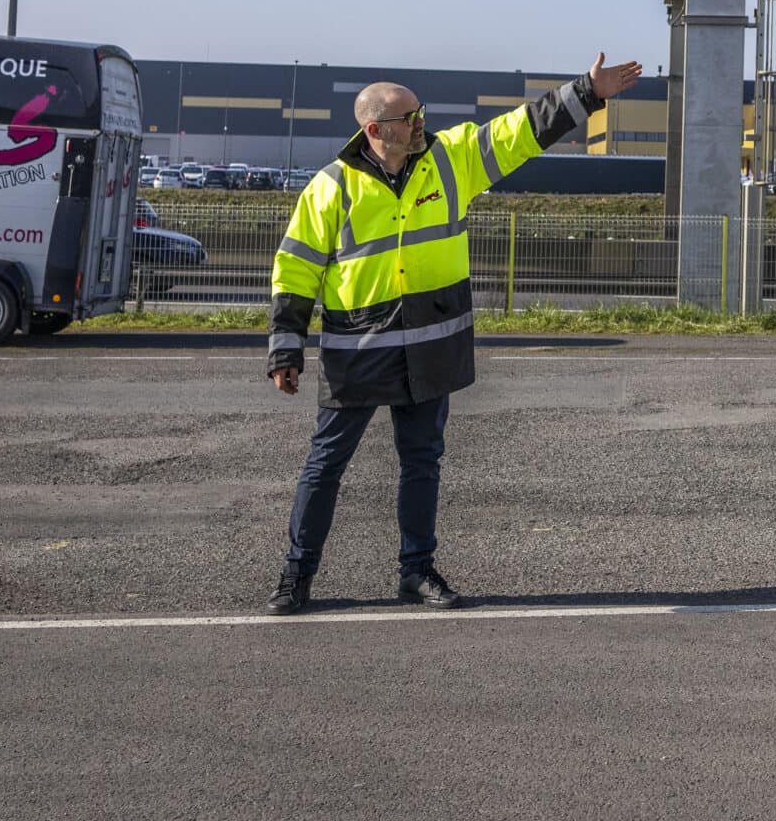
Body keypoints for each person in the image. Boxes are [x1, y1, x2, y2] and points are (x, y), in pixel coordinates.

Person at [263, 54, 641, 615]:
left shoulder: (451, 159)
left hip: (428, 346)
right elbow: (296, 269)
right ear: (374, 130)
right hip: (359, 350)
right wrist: (285, 345)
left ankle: (416, 571)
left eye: (420, 113)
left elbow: (519, 132)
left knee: (422, 462)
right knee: (326, 465)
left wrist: (586, 91)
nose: (421, 122)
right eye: (410, 117)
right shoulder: (330, 189)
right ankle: (297, 575)